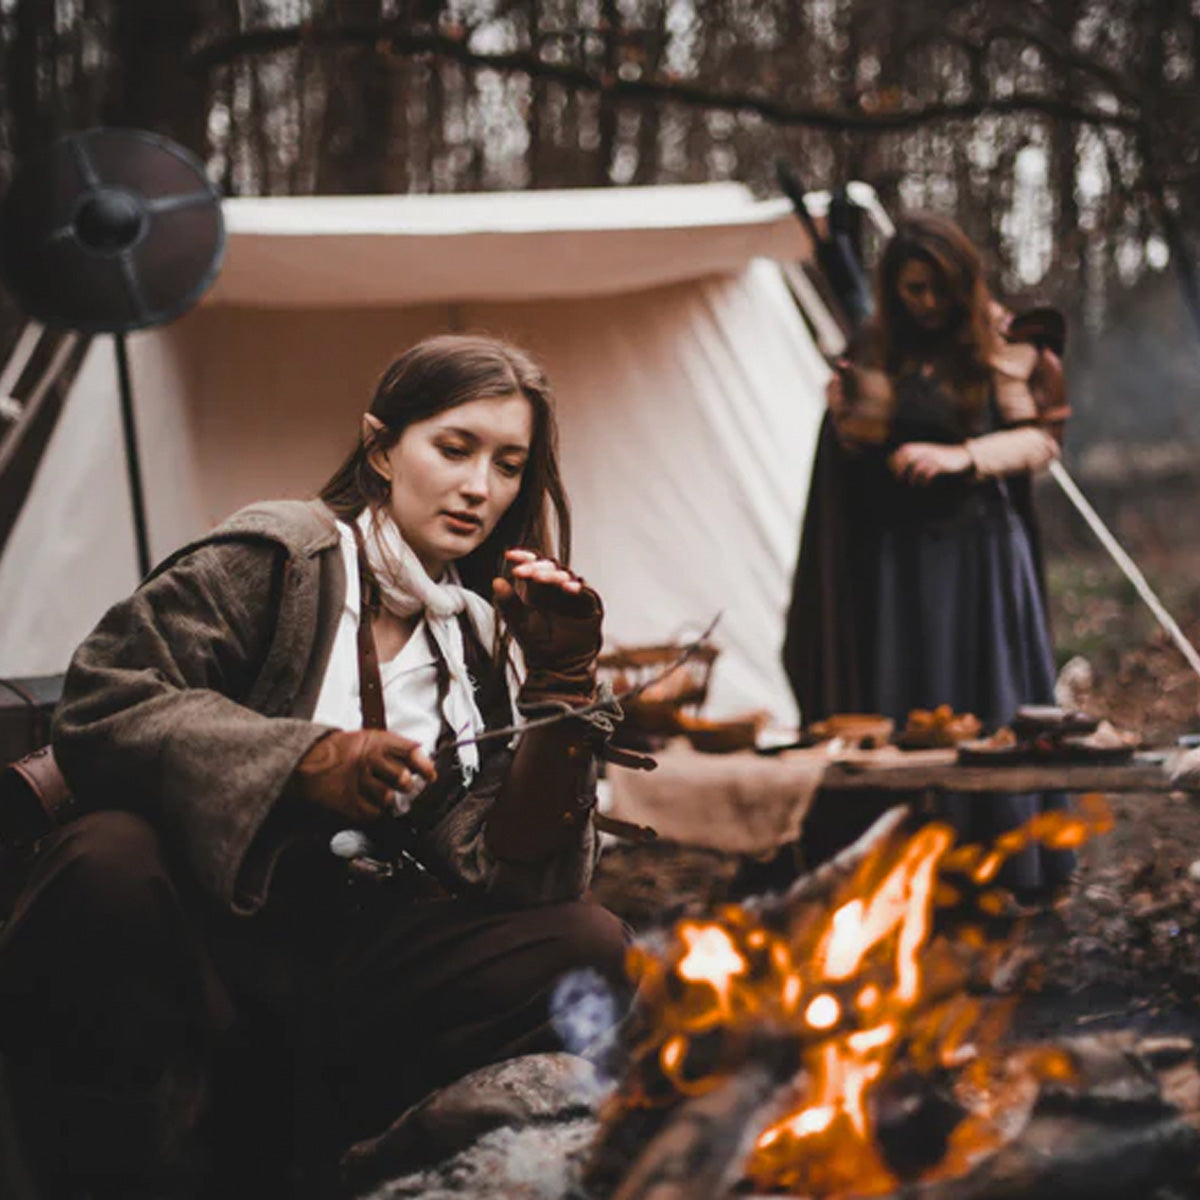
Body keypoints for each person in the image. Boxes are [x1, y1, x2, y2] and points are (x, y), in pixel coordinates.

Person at [0, 334, 636, 1200]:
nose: (480, 487)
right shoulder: (280, 559)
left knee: (583, 942)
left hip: (347, 950)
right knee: (107, 858)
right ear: (381, 447)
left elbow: (516, 875)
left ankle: (358, 1159)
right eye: (454, 449)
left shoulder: (479, 634)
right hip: (203, 929)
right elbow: (104, 700)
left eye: (509, 465)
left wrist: (561, 693)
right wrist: (308, 761)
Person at [782, 212, 1073, 893]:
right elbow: (857, 449)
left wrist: (962, 456)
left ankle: (1001, 865)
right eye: (914, 289)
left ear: (963, 283)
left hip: (979, 556)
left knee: (986, 700)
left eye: (939, 288)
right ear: (893, 287)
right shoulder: (877, 344)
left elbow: (1039, 442)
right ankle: (913, 871)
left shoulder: (1000, 339)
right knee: (906, 701)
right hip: (898, 560)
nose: (928, 303)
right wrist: (846, 414)